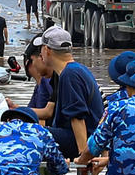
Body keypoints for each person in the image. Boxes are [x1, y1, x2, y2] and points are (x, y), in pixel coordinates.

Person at [40, 27, 103, 159]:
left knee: (31, 133)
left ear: (47, 50)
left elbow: (77, 116)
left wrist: (83, 155)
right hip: (89, 136)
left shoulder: (70, 74)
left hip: (83, 139)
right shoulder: (78, 69)